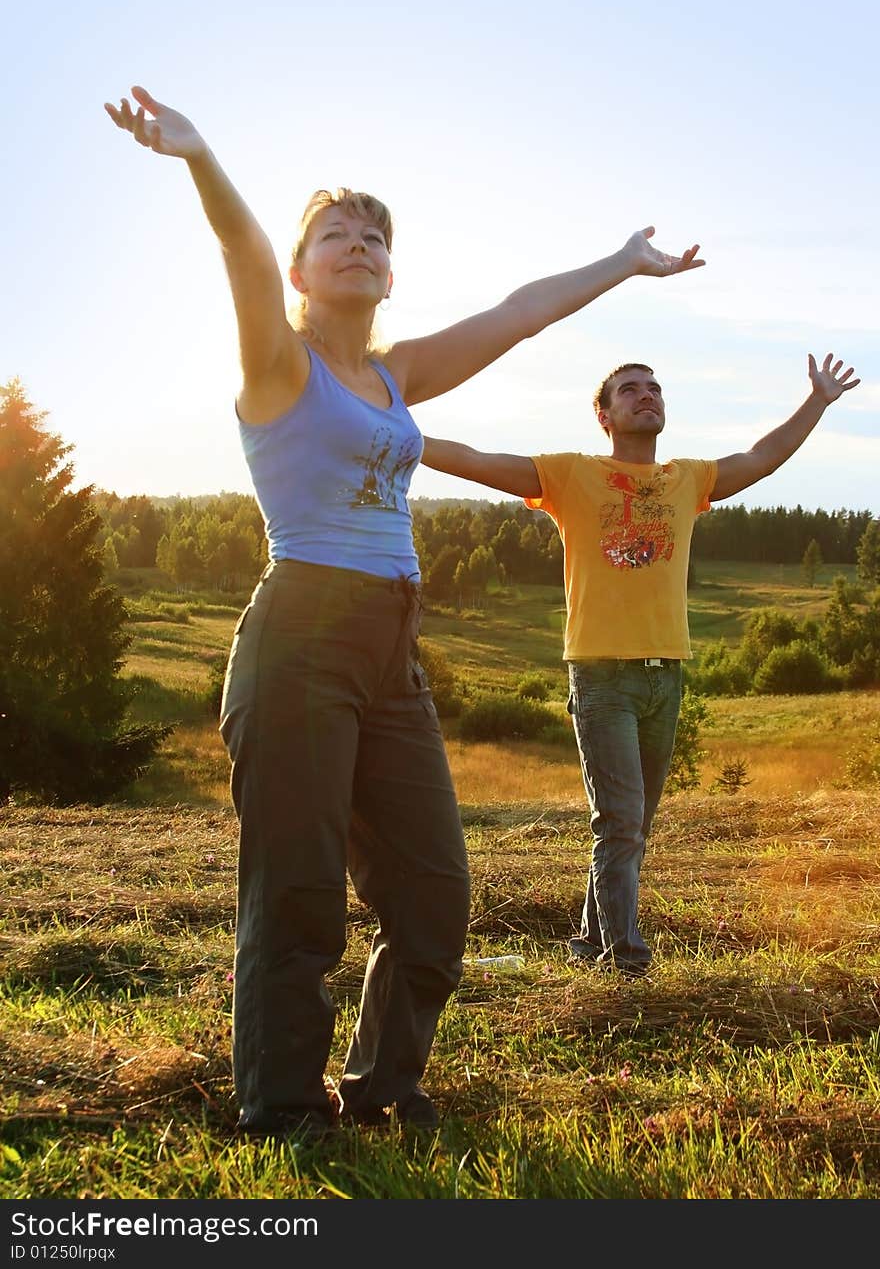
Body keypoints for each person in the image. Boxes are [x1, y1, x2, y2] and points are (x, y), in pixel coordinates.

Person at [104, 84, 705, 1138]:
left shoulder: (394, 374)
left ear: (391, 269)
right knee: (296, 894)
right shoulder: (278, 362)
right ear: (301, 270)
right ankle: (282, 1111)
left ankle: (381, 1086)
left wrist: (620, 261)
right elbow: (243, 256)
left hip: (392, 647)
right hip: (299, 637)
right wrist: (199, 155)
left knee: (432, 897)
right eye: (334, 232)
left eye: (374, 234)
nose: (359, 243)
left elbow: (515, 317)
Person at [420, 352, 860, 977]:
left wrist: (816, 401)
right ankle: (626, 963)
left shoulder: (688, 478)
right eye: (629, 390)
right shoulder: (570, 475)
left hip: (667, 675)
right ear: (604, 415)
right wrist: (401, 433)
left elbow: (759, 459)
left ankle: (588, 944)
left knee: (630, 829)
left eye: (654, 388)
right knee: (621, 824)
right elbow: (478, 461)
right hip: (602, 677)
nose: (645, 395)